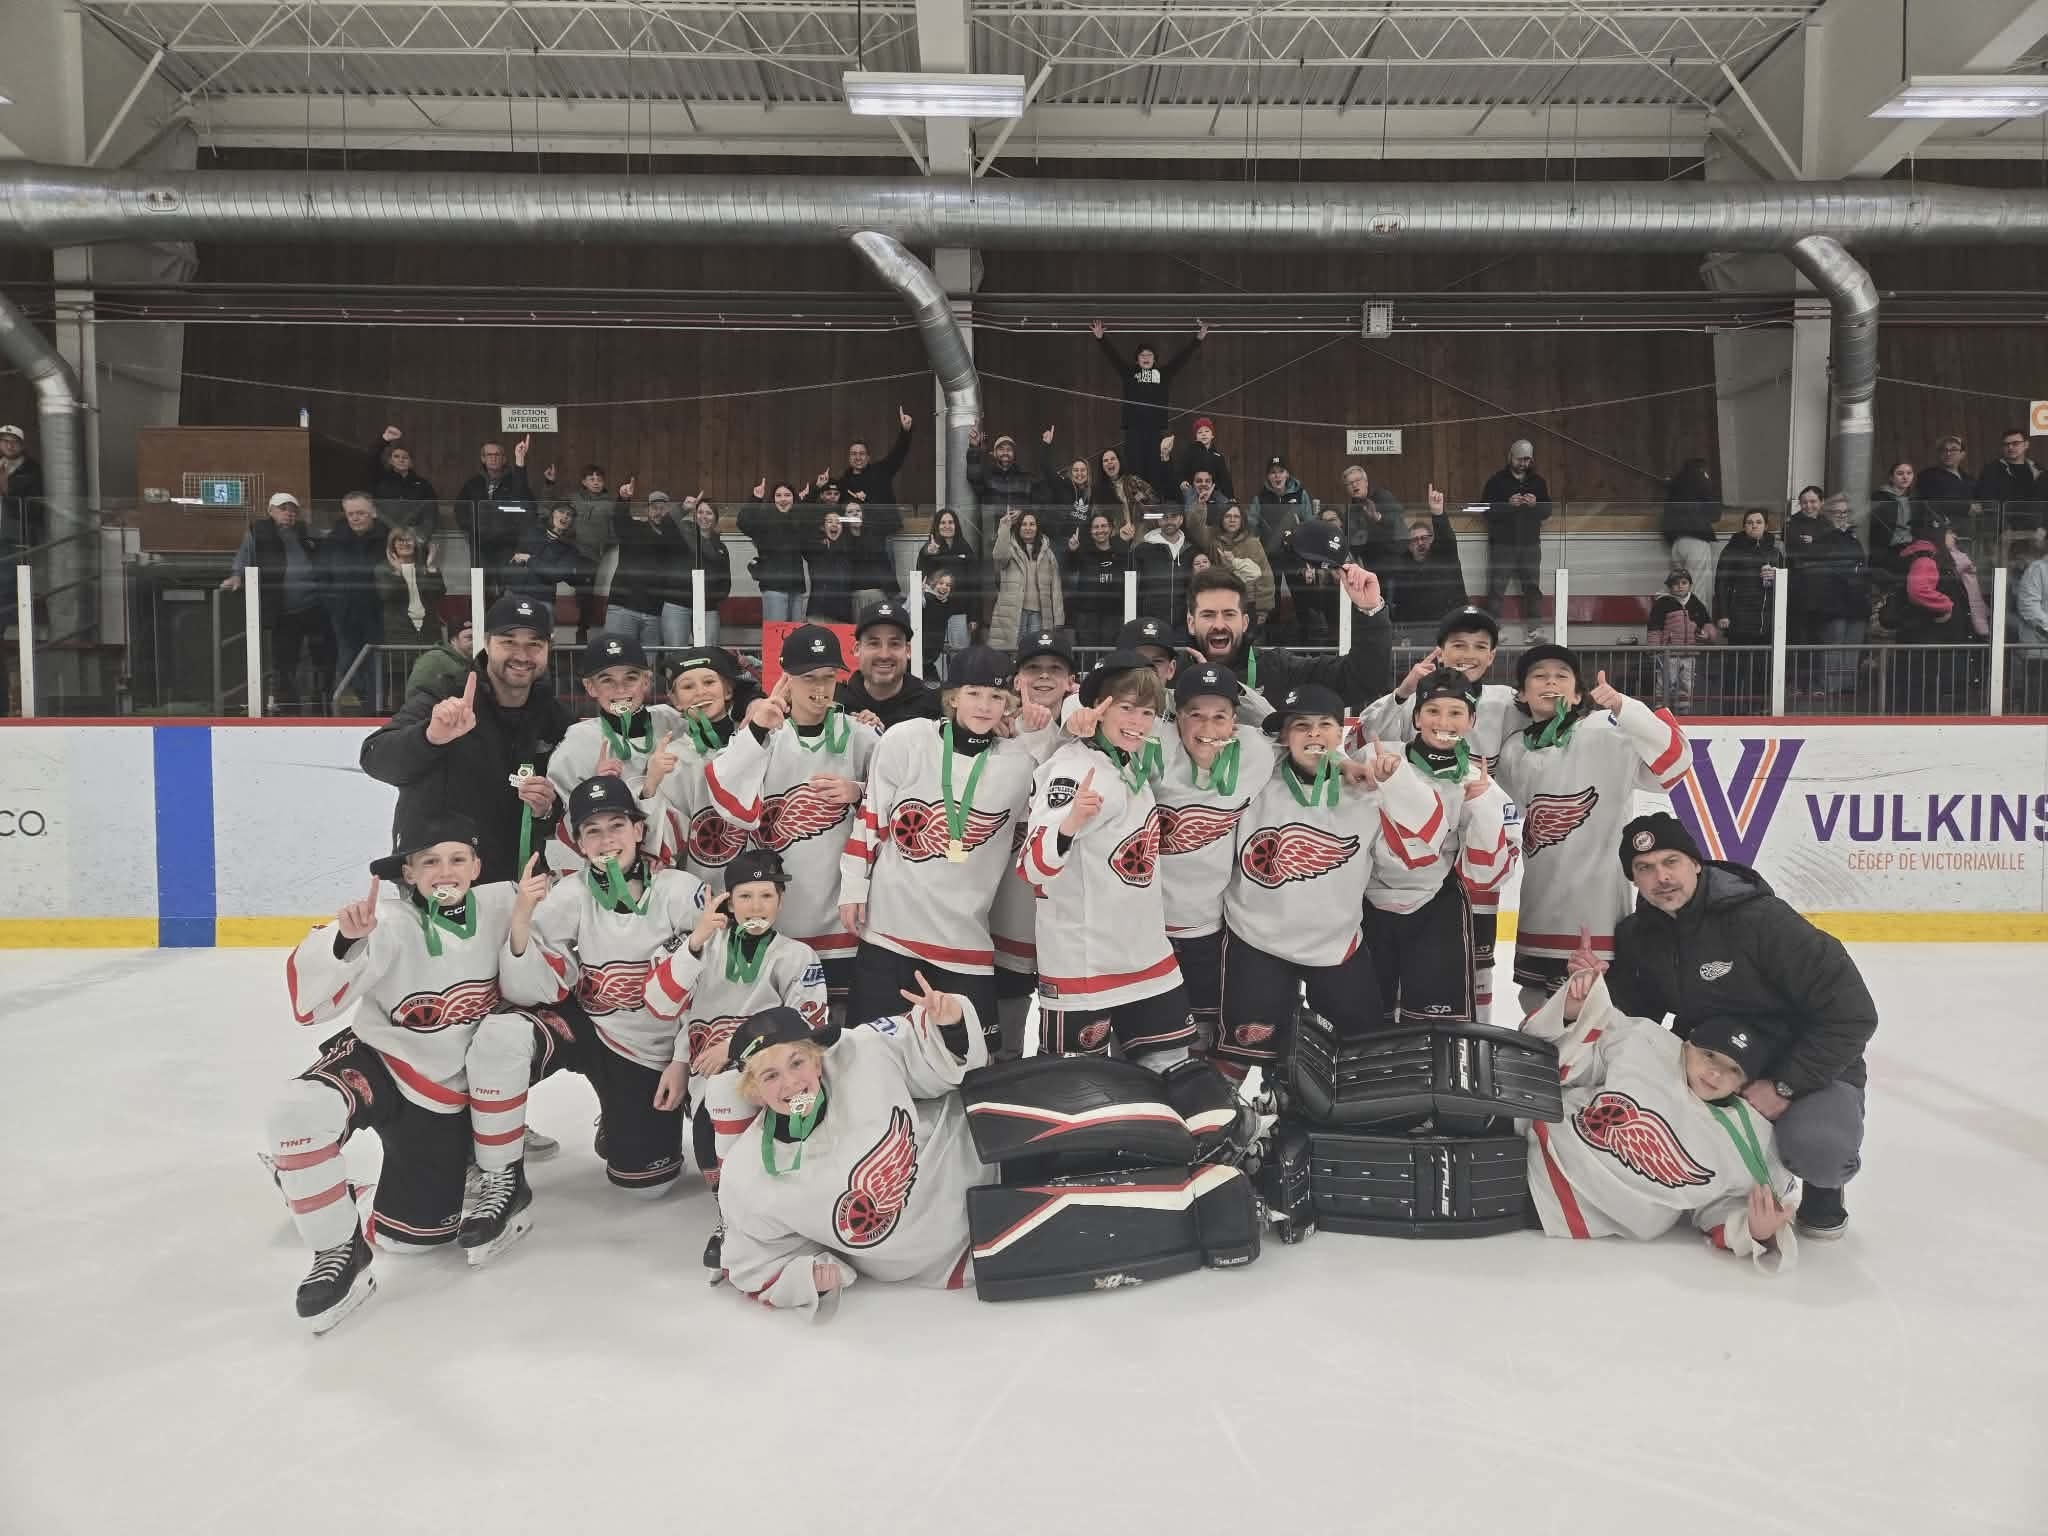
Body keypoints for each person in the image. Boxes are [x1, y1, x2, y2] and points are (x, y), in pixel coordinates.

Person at [262, 812, 541, 1331]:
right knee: (297, 1112)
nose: (445, 871)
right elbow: (309, 1003)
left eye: (457, 859)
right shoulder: (387, 922)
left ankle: (353, 1186)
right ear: (408, 873)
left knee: (412, 1239)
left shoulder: (505, 902)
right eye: (429, 862)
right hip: (383, 1063)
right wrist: (347, 941)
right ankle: (338, 1249)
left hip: (449, 1093)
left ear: (477, 866)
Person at [1606, 812, 1877, 1240]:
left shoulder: (1762, 920)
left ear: (1696, 863)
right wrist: (1586, 996)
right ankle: (1726, 1194)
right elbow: (1635, 1019)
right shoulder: (1640, 936)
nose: (1661, 877)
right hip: (1716, 1060)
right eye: (1645, 868)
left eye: (1671, 861)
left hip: (1803, 1064)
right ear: (1633, 879)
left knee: (1820, 1150)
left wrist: (1785, 1084)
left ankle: (1822, 1184)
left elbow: (1852, 1013)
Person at [478, 775, 710, 1223]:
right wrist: (522, 916)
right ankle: (498, 1173)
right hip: (594, 1031)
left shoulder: (681, 892)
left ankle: (622, 1112)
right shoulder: (571, 895)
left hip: (659, 1050)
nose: (606, 841)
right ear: (580, 844)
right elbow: (527, 988)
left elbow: (712, 989)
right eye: (593, 831)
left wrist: (682, 1059)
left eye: (616, 826)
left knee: (650, 1187)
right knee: (502, 1035)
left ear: (638, 830)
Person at [704, 989, 990, 1312]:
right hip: (955, 1258)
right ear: (754, 1091)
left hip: (982, 1147)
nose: (791, 1083)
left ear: (817, 1059)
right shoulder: (746, 1178)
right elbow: (752, 1263)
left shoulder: (862, 1052)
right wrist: (807, 1277)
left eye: (796, 1062)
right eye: (771, 1076)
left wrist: (950, 1023)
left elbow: (928, 1049)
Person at [1212, 684, 1437, 1081]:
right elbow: (1243, 740)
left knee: (1362, 1057)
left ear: (1341, 733)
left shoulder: (1367, 792)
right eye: (1301, 726)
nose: (1314, 734)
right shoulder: (1256, 781)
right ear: (1284, 736)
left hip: (1338, 945)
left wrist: (1396, 784)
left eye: (1325, 725)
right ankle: (1229, 1106)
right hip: (1256, 940)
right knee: (1240, 1051)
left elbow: (1422, 848)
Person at [1521, 961, 1799, 1270]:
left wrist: (1756, 1232)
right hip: (1531, 1144)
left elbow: (1720, 1208)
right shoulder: (1642, 1043)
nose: (1715, 1073)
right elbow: (1567, 1060)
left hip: (1567, 1210)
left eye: (1734, 1070)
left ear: (1744, 1084)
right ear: (1688, 1044)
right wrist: (1574, 1010)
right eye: (1709, 1055)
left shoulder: (1748, 1140)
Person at [838, 646, 1040, 1045]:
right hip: (891, 931)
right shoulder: (906, 739)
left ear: (1008, 704)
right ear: (953, 697)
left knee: (970, 1061)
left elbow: (1049, 811)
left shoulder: (1019, 763)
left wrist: (1039, 733)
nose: (984, 706)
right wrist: (853, 887)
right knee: (872, 1051)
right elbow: (871, 817)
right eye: (973, 693)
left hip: (965, 940)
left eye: (996, 696)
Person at [647, 846, 827, 1265]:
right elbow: (662, 1005)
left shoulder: (797, 956)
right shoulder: (700, 945)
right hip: (704, 1080)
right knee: (709, 1137)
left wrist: (735, 1046)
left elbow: (805, 1027)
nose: (756, 907)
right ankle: (733, 1214)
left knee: (734, 1098)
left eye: (766, 896)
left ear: (781, 901)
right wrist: (679, 1061)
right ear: (727, 901)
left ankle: (760, 1219)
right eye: (745, 896)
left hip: (775, 1082)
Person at [1490, 643, 1689, 1014]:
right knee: (1537, 1015)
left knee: (1594, 1021)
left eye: (1561, 676)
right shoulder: (1514, 749)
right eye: (1539, 676)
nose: (1551, 682)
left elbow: (1673, 768)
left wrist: (1624, 707)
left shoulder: (1605, 730)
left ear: (1578, 694)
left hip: (1598, 918)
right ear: (1522, 694)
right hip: (1537, 913)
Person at [1021, 654, 1193, 1067]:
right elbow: (1033, 866)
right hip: (1085, 967)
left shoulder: (1130, 765)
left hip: (1148, 959)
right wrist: (1070, 825)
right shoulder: (1071, 769)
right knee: (1081, 1090)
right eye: (1126, 707)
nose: (1138, 721)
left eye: (1147, 712)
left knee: (1173, 1073)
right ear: (1098, 708)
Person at [1352, 606, 1519, 1021]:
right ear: (1416, 716)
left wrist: (1483, 808)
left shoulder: (1478, 783)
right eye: (1433, 711)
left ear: (1471, 720)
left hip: (1436, 910)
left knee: (1438, 1024)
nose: (1444, 722)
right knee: (1365, 1018)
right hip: (1366, 906)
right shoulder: (1379, 756)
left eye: (1456, 713)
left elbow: (1493, 870)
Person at [704, 626, 879, 1015]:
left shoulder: (860, 736)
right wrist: (758, 728)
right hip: (778, 920)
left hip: (842, 922)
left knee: (839, 1029)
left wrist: (858, 791)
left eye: (828, 677)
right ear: (786, 678)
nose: (820, 687)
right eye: (808, 677)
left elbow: (896, 804)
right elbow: (725, 795)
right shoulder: (765, 735)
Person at [361, 593, 568, 883]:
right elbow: (375, 757)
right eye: (508, 642)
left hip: (514, 885)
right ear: (487, 643)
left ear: (548, 649)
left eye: (534, 644)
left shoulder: (555, 718)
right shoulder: (445, 696)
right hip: (441, 882)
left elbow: (564, 810)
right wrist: (430, 737)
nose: (522, 655)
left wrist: (546, 810)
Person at [1151, 662, 1275, 1055]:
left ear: (1236, 721)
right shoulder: (1153, 744)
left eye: (1220, 716)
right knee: (1145, 1039)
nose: (1208, 728)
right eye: (1195, 715)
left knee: (1201, 1039)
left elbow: (1306, 738)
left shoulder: (1256, 752)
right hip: (1143, 927)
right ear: (1176, 717)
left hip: (1209, 927)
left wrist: (1344, 763)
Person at [1184, 561, 1392, 721]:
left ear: (1245, 622)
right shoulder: (1171, 673)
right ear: (1191, 623)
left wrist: (1370, 612)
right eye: (1208, 615)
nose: (1219, 625)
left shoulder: (1278, 669)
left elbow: (1360, 680)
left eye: (1229, 614)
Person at [542, 634, 679, 870]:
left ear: (646, 681)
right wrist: (593, 788)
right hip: (609, 867)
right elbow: (560, 819)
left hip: (673, 860)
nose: (620, 688)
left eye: (631, 678)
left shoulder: (671, 722)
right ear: (590, 687)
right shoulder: (577, 742)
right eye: (607, 680)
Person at [645, 645, 758, 890]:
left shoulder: (758, 741)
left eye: (709, 682)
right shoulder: (672, 758)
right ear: (674, 700)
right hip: (700, 891)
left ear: (728, 690)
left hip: (761, 889)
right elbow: (666, 837)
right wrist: (650, 787)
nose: (700, 692)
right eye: (687, 687)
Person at [221, 491, 335, 712]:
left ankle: (321, 706)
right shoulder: (259, 531)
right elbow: (245, 555)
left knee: (323, 659)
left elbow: (325, 552)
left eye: (293, 511)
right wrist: (236, 575)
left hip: (314, 606)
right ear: (271, 511)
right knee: (284, 663)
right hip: (283, 611)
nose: (289, 514)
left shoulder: (305, 531)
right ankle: (288, 708)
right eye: (283, 509)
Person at [1090, 318, 1207, 483]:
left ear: (1154, 359)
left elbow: (1181, 359)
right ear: (1137, 359)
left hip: (1154, 431)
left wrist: (1198, 339)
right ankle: (1136, 497)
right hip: (1134, 431)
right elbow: (1114, 358)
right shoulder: (1129, 374)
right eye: (1142, 355)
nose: (1146, 357)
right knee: (1135, 469)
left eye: (1149, 355)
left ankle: (1154, 497)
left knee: (1155, 468)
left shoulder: (1162, 375)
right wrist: (1101, 339)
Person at [318, 492, 392, 712]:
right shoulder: (333, 541)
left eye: (361, 513)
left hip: (378, 612)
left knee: (378, 664)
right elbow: (322, 575)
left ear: (373, 513)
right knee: (347, 663)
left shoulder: (388, 538)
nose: (355, 518)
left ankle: (376, 708)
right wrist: (331, 602)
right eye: (351, 514)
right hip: (344, 613)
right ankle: (368, 703)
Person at [839, 406, 915, 612]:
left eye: (861, 454)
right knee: (864, 584)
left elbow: (898, 455)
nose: (858, 457)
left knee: (888, 583)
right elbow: (836, 506)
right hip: (857, 539)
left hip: (883, 533)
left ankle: (891, 614)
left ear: (868, 457)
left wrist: (905, 431)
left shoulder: (881, 471)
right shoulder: (844, 482)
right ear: (849, 457)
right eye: (854, 454)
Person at [1892, 518, 1969, 712]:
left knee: (1921, 685)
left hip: (1926, 637)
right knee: (1921, 687)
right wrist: (1946, 606)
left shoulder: (1928, 557)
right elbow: (1918, 590)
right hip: (1927, 636)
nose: (1954, 537)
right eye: (1949, 533)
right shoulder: (1925, 559)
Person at [1481, 438, 1552, 639]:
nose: (1523, 463)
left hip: (1530, 544)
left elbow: (1547, 512)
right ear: (1510, 457)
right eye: (1519, 459)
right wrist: (1506, 505)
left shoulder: (1538, 482)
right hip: (1502, 544)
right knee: (1496, 588)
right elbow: (1484, 510)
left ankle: (1535, 629)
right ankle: (1494, 631)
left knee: (1532, 588)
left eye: (1527, 459)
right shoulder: (1496, 481)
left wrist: (1536, 505)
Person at [1711, 508, 1780, 710]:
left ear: (1766, 526)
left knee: (1761, 670)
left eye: (1758, 522)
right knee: (1735, 669)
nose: (1754, 525)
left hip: (1765, 620)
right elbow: (1721, 583)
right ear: (1744, 526)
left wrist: (1776, 576)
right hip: (1739, 618)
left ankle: (1758, 710)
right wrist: (1723, 614)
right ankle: (1730, 711)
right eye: (1750, 522)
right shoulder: (1732, 549)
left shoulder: (1774, 551)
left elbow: (1787, 581)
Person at [837, 599, 940, 728]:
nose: (884, 655)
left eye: (894, 644)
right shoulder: (838, 707)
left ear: (908, 650)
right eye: (874, 643)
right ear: (857, 649)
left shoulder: (931, 707)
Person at [1383, 488, 1467, 647]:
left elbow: (1446, 539)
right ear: (1409, 546)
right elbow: (1399, 608)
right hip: (1418, 634)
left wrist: (1438, 513)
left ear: (1432, 540)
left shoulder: (1445, 558)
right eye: (1414, 540)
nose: (1420, 543)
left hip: (1452, 630)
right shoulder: (1402, 571)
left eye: (1424, 538)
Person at [373, 525, 447, 704]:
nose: (404, 543)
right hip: (399, 638)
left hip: (427, 634)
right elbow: (388, 594)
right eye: (399, 540)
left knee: (431, 689)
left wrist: (431, 568)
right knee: (400, 691)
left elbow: (438, 593)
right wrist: (399, 573)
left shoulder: (425, 568)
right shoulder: (383, 569)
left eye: (409, 539)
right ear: (392, 545)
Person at [456, 436, 537, 596]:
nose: (493, 458)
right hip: (480, 543)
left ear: (504, 458)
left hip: (507, 544)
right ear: (483, 459)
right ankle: (480, 613)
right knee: (480, 587)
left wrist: (520, 460)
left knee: (506, 586)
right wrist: (474, 530)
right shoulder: (473, 483)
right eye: (489, 454)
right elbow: (460, 510)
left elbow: (526, 503)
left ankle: (503, 612)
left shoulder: (515, 481)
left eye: (497, 454)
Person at [1807, 495, 1870, 701]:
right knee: (1833, 645)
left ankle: (1848, 690)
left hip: (1855, 601)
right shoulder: (1822, 539)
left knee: (1852, 645)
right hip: (1833, 602)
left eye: (1845, 512)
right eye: (1837, 512)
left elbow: (1861, 569)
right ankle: (1830, 689)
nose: (1842, 516)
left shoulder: (1853, 539)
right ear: (1827, 515)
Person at [506, 502, 595, 634]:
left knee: (541, 639)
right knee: (509, 636)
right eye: (561, 512)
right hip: (514, 593)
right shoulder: (532, 532)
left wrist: (529, 559)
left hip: (542, 599)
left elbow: (556, 574)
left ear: (572, 521)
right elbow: (514, 556)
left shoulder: (570, 549)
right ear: (552, 514)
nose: (565, 517)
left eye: (569, 515)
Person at [990, 508, 1063, 648]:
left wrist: (1059, 619)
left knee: (1034, 652)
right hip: (1015, 613)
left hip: (1039, 614)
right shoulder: (1009, 549)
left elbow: (1056, 588)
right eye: (1024, 524)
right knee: (1014, 652)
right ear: (1018, 527)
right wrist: (1004, 528)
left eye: (1032, 524)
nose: (1028, 528)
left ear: (1037, 527)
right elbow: (998, 557)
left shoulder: (1047, 553)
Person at [1645, 568, 1715, 714]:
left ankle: (1683, 713)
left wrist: (1708, 635)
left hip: (1690, 654)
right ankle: (1661, 711)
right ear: (1669, 587)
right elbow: (1654, 628)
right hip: (1668, 654)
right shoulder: (1662, 603)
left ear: (1690, 585)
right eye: (1676, 584)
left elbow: (1706, 622)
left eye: (1684, 582)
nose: (1680, 586)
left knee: (1686, 685)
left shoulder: (1695, 602)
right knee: (1665, 683)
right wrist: (1654, 650)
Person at [741, 480, 810, 627]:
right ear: (773, 500)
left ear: (794, 499)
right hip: (773, 586)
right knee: (776, 633)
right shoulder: (764, 521)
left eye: (787, 495)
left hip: (796, 587)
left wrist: (810, 495)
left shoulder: (799, 520)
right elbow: (743, 522)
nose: (783, 499)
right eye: (778, 495)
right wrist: (755, 498)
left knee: (796, 633)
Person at [1066, 510, 1130, 651]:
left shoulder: (1120, 551)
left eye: (1104, 526)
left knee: (1110, 656)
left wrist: (1123, 542)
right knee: (1088, 656)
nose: (1100, 530)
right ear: (1090, 531)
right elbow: (1070, 569)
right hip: (1087, 617)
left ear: (1111, 529)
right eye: (1096, 527)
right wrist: (1072, 551)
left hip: (1114, 615)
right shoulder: (1082, 551)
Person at [675, 496, 733, 647]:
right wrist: (683, 508)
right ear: (695, 515)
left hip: (708, 608)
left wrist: (711, 599)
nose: (704, 516)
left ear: (715, 518)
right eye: (700, 512)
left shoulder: (721, 548)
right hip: (678, 605)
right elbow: (669, 522)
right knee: (675, 653)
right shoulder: (683, 536)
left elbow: (725, 582)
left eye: (709, 513)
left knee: (709, 653)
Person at [1661, 457, 1722, 599]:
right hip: (1696, 540)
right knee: (1698, 588)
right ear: (1702, 469)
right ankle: (1697, 615)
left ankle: (1683, 614)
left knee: (1680, 590)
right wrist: (1706, 481)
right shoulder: (1701, 480)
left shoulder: (1676, 484)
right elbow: (1714, 514)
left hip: (1676, 543)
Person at [1204, 502, 1273, 626]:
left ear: (1242, 520)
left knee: (1250, 637)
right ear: (1221, 519)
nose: (1232, 520)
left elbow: (1265, 577)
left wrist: (1262, 609)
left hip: (1249, 603)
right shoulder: (1214, 543)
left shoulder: (1253, 543)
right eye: (1228, 516)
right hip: (1222, 602)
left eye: (1236, 517)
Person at [1131, 500, 1199, 626]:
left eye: (1173, 516)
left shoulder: (1191, 550)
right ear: (1158, 521)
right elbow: (1133, 586)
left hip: (1183, 623)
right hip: (1151, 622)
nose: (1169, 521)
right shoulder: (1143, 549)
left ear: (1181, 520)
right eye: (1164, 517)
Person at [917, 509, 976, 642]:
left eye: (951, 522)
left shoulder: (965, 548)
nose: (947, 526)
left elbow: (973, 585)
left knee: (959, 651)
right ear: (937, 526)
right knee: (936, 651)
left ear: (956, 525)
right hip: (934, 612)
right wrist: (929, 554)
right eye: (943, 522)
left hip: (959, 612)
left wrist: (973, 616)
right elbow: (922, 578)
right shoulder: (930, 548)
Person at [367, 426, 439, 534]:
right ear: (390, 461)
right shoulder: (380, 478)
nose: (401, 460)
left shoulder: (423, 485)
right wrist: (384, 439)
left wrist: (422, 536)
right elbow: (371, 457)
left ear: (411, 463)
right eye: (396, 456)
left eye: (405, 457)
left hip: (411, 536)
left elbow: (431, 514)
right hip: (382, 534)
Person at [1978, 426, 2048, 535]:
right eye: (2006, 444)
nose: (2010, 447)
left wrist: (2044, 527)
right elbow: (1987, 502)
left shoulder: (2038, 470)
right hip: (2004, 532)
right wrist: (2003, 529)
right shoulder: (1990, 470)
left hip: (2036, 532)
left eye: (2015, 443)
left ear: (2026, 445)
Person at [1337, 464, 1404, 568]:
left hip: (1390, 559)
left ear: (1366, 482)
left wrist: (1377, 517)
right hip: (1368, 562)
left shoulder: (1382, 496)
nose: (1354, 485)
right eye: (1349, 483)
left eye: (1357, 480)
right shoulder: (1351, 510)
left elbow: (1396, 520)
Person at [801, 508, 859, 624]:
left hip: (843, 612)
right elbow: (802, 542)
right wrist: (821, 543)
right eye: (829, 521)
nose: (834, 525)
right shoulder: (815, 548)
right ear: (823, 527)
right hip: (818, 610)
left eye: (838, 522)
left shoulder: (849, 549)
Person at [0, 421, 47, 559]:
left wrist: (6, 490)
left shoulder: (32, 469)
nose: (9, 446)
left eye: (14, 441)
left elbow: (37, 506)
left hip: (18, 536)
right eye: (5, 441)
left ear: (22, 445)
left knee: (18, 569)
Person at [404, 604, 471, 699]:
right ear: (453, 640)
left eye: (477, 637)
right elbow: (413, 693)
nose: (474, 642)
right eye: (469, 638)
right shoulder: (432, 660)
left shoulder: (475, 661)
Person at [1092, 447, 1156, 536]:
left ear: (1119, 462)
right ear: (1102, 467)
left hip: (1142, 532)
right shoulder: (1099, 491)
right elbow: (1099, 519)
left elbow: (1153, 501)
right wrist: (1117, 532)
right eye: (1105, 460)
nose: (1109, 462)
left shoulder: (1134, 481)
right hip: (1117, 535)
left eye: (1113, 459)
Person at [1171, 416, 1234, 500]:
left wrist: (1231, 497)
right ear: (1196, 437)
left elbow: (1225, 478)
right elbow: (1180, 470)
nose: (1203, 434)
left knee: (1224, 502)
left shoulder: (1218, 456)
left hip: (1212, 491)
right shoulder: (1189, 453)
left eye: (1207, 431)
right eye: (1200, 432)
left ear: (1212, 435)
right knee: (1190, 499)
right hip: (1193, 490)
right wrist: (1182, 481)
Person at [1917, 433, 1975, 510]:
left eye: (1953, 449)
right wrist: (1966, 508)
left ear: (1962, 454)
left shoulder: (1969, 478)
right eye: (1944, 450)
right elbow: (1933, 503)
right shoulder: (1927, 475)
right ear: (1938, 453)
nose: (1948, 453)